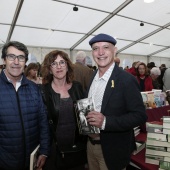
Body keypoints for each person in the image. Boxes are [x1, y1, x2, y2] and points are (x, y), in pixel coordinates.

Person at [85, 33, 147, 170]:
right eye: (96, 48)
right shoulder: (93, 76)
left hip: (113, 150)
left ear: (115, 50)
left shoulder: (126, 80)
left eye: (106, 47)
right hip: (90, 146)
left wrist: (106, 122)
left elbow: (140, 115)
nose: (100, 52)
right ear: (92, 52)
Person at [0, 41, 50, 170]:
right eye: (11, 56)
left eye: (21, 58)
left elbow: (43, 121)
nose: (16, 62)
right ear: (4, 59)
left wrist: (44, 151)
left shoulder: (34, 88)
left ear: (25, 62)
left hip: (31, 161)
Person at [41, 50, 87, 170]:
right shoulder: (43, 91)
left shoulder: (77, 87)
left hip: (77, 150)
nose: (59, 66)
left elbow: (85, 120)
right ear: (49, 69)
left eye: (62, 62)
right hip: (54, 153)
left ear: (67, 66)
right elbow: (42, 124)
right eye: (54, 63)